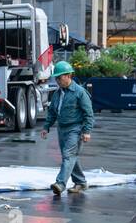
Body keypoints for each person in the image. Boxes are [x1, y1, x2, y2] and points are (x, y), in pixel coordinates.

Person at [40, 60, 95, 195]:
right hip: (62, 129)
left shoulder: (80, 92)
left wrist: (87, 131)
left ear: (69, 75)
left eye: (60, 77)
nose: (58, 80)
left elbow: (89, 114)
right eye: (56, 78)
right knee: (71, 156)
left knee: (68, 155)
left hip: (76, 128)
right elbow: (52, 112)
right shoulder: (58, 93)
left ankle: (60, 183)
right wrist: (46, 127)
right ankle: (81, 182)